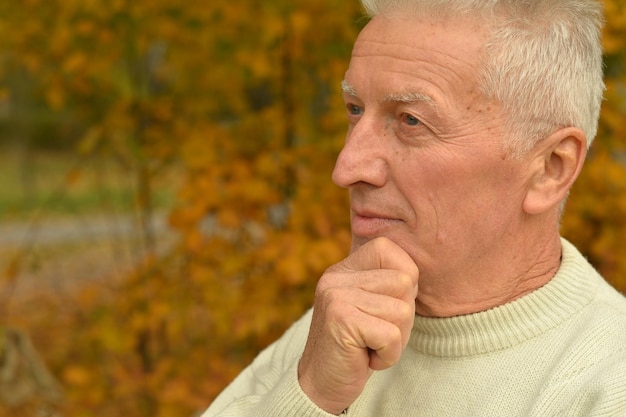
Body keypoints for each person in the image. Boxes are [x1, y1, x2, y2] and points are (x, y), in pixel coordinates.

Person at [202, 0, 626, 415]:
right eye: (354, 110)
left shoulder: (607, 389)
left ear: (550, 168)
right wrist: (309, 396)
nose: (348, 167)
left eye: (410, 121)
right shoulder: (341, 323)